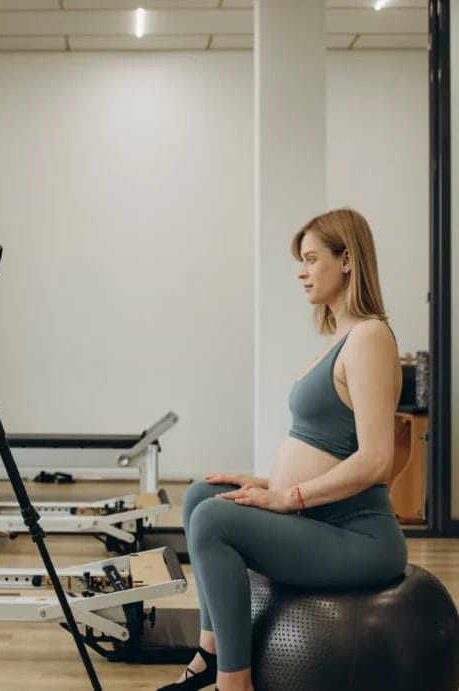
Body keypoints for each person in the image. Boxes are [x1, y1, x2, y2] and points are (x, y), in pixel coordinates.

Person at [160, 208, 408, 691]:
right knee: (199, 496)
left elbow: (377, 460)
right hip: (320, 520)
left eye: (312, 259)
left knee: (213, 520)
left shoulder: (370, 337)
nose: (302, 271)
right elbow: (331, 446)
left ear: (348, 259)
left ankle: (235, 684)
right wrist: (267, 483)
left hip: (358, 536)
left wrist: (286, 497)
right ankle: (210, 655)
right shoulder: (340, 338)